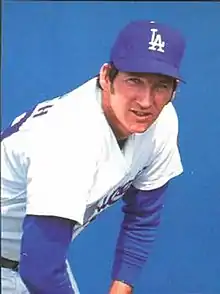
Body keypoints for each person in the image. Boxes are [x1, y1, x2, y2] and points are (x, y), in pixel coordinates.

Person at [1, 19, 186, 293]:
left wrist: (121, 287)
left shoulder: (162, 122)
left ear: (174, 90)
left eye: (161, 85)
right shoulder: (68, 137)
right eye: (134, 80)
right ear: (106, 76)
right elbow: (40, 269)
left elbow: (143, 216)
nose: (146, 101)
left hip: (36, 262)